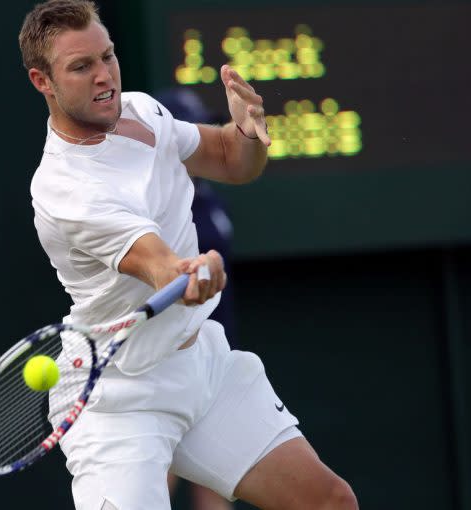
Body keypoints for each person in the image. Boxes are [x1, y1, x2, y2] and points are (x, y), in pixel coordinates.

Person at [19, 2, 359, 509]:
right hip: (119, 399)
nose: (103, 75)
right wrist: (189, 270)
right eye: (81, 66)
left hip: (200, 366)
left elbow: (228, 158)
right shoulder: (66, 189)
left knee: (329, 502)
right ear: (42, 81)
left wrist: (247, 132)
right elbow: (156, 263)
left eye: (107, 56)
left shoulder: (140, 112)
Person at [155, 88, 236, 510]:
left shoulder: (204, 195)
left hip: (216, 364)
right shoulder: (158, 209)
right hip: (171, 366)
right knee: (157, 485)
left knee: (217, 484)